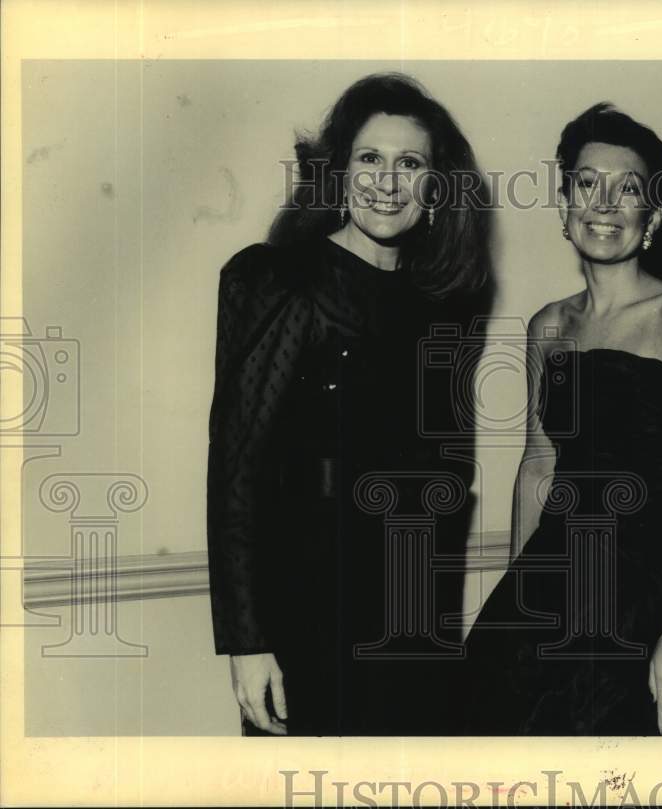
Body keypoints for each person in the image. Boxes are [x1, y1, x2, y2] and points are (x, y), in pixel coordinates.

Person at [462, 103, 662, 735]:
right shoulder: (548, 326)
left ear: (654, 217)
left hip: (661, 588)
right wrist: (519, 593)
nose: (605, 204)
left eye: (628, 188)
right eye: (588, 184)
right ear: (564, 205)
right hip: (561, 577)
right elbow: (538, 466)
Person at [206, 73, 491, 736]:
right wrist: (247, 644)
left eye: (409, 163)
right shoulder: (278, 279)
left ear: (435, 187)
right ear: (338, 171)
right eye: (370, 158)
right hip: (309, 602)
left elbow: (451, 469)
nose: (387, 182)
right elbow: (236, 469)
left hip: (413, 610)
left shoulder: (447, 302)